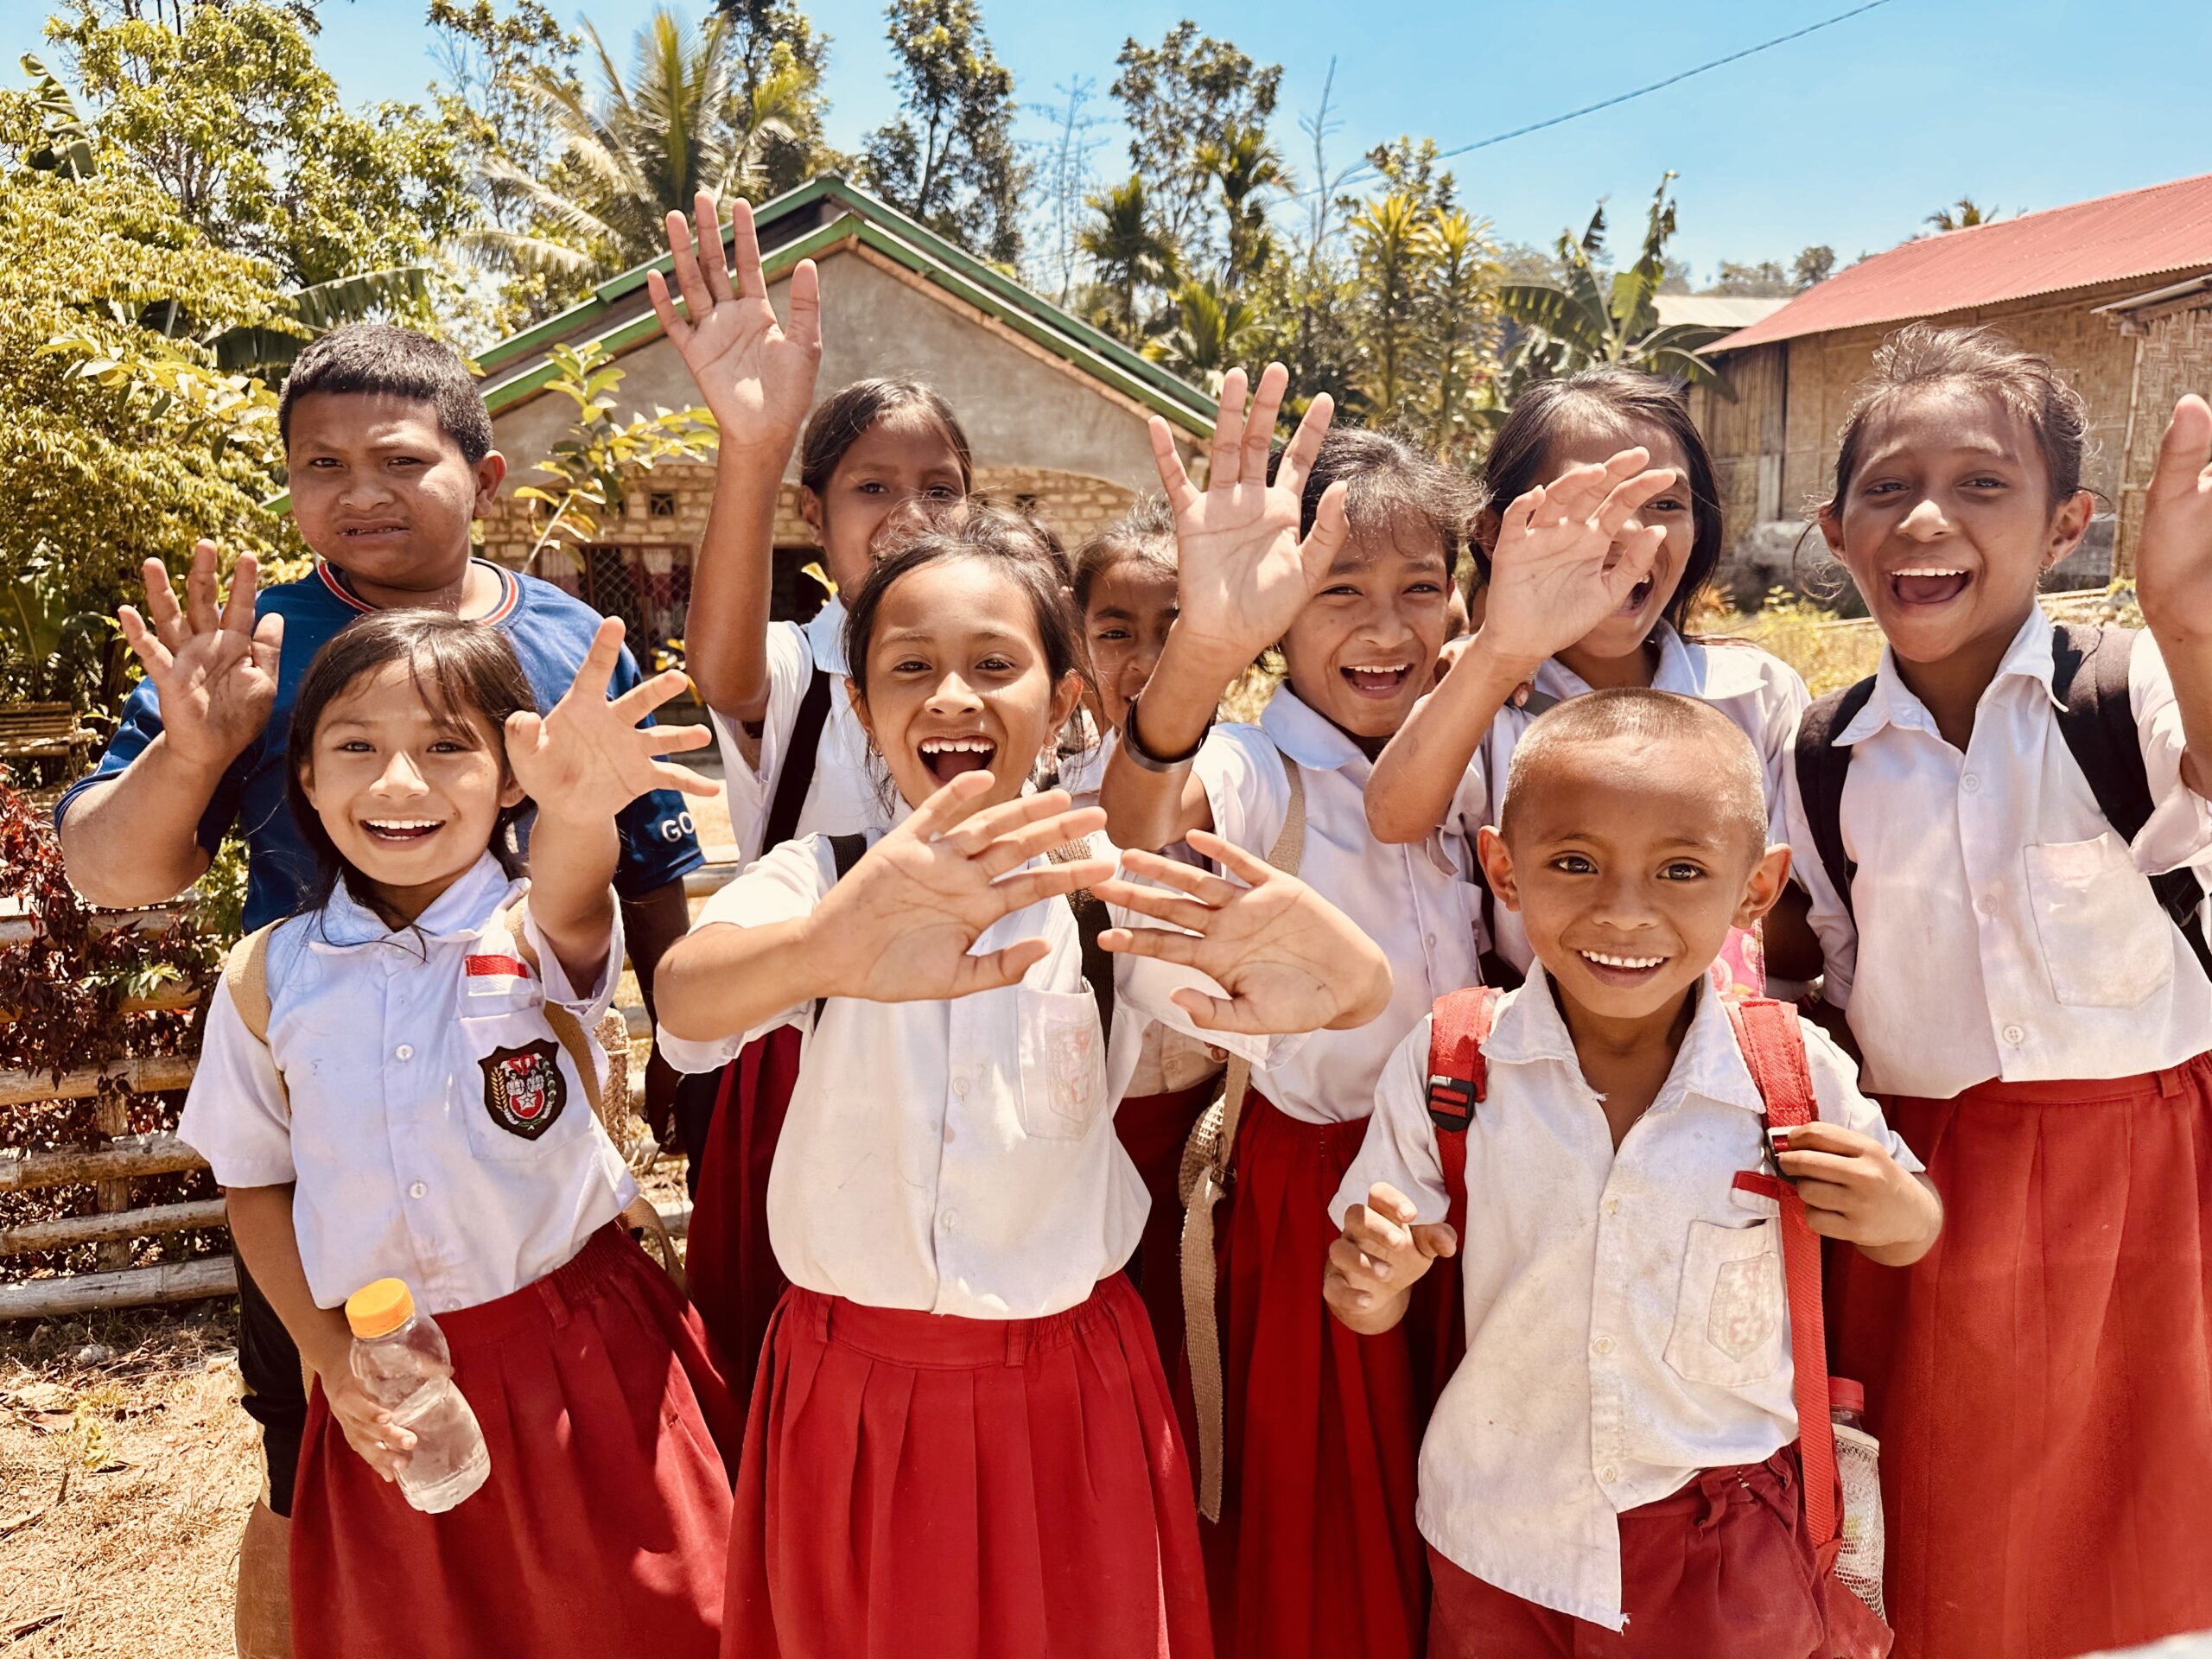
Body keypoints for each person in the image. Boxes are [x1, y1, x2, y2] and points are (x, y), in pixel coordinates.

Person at [52, 323, 704, 1659]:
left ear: (486, 475)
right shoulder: (253, 648)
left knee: (597, 1518)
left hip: (519, 1146)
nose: (361, 491)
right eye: (322, 463)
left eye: (400, 459)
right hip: (333, 1154)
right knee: (314, 1470)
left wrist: (684, 1057)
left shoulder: (572, 642)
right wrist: (195, 751)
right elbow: (112, 871)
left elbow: (634, 877)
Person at [652, 505, 1395, 1658]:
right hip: (852, 1389)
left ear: (1061, 704)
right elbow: (684, 1004)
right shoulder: (823, 879)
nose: (952, 696)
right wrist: (821, 953)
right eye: (910, 668)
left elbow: (1313, 996)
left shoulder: (1106, 896)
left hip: (1068, 1390)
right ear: (862, 709)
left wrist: (1348, 972)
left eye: (995, 665)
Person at [1096, 363, 1668, 1659]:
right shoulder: (1250, 761)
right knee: (1334, 1523)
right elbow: (1137, 826)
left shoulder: (1486, 744)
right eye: (1338, 591)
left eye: (1420, 588)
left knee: (1480, 1492)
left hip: (1484, 1175)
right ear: (1278, 618)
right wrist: (1201, 650)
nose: (1385, 625)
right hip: (1321, 1190)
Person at [1327, 688, 1941, 1657]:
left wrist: (1894, 1207)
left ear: (1755, 889)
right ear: (1503, 869)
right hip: (1501, 1534)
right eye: (1573, 863)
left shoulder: (1788, 1072)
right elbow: (1367, 1294)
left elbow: (1912, 1229)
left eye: (1681, 870)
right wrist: (1372, 1280)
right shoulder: (1455, 1061)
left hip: (1724, 1549)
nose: (1622, 911)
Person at [178, 611, 738, 1658]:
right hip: (392, 1394)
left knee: (652, 1620)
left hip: (585, 1362)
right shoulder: (267, 979)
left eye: (446, 745)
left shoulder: (529, 937)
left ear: (511, 778)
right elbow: (255, 1186)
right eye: (356, 745)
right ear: (306, 777)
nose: (400, 782)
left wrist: (580, 808)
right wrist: (327, 1358)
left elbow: (575, 891)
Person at [1783, 323, 2212, 1659]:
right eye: (1887, 489)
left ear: (2069, 524)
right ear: (1835, 533)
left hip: (2147, 1184)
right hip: (1929, 1200)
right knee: (1945, 1555)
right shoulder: (1823, 752)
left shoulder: (2129, 687)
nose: (1927, 518)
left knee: (2146, 1546)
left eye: (1982, 484)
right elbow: (1832, 966)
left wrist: (2190, 622)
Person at [644, 194, 976, 1377]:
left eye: (941, 487)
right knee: (797, 1355)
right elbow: (721, 672)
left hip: (971, 1045)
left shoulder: (1006, 674)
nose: (911, 513)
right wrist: (753, 443)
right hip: (801, 1062)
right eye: (872, 488)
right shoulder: (797, 662)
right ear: (813, 516)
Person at [1364, 366, 1815, 988]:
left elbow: (1810, 932)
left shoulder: (1757, 694)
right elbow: (1394, 816)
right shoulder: (1480, 698)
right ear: (1494, 532)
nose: (1629, 533)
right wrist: (1497, 655)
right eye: (1591, 504)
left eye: (1665, 504)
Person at [1059, 496, 1227, 1351]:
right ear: (1076, 644)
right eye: (1116, 632)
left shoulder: (1254, 776)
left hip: (1218, 1129)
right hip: (1093, 1135)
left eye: (1176, 627)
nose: (1149, 659)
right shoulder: (1048, 796)